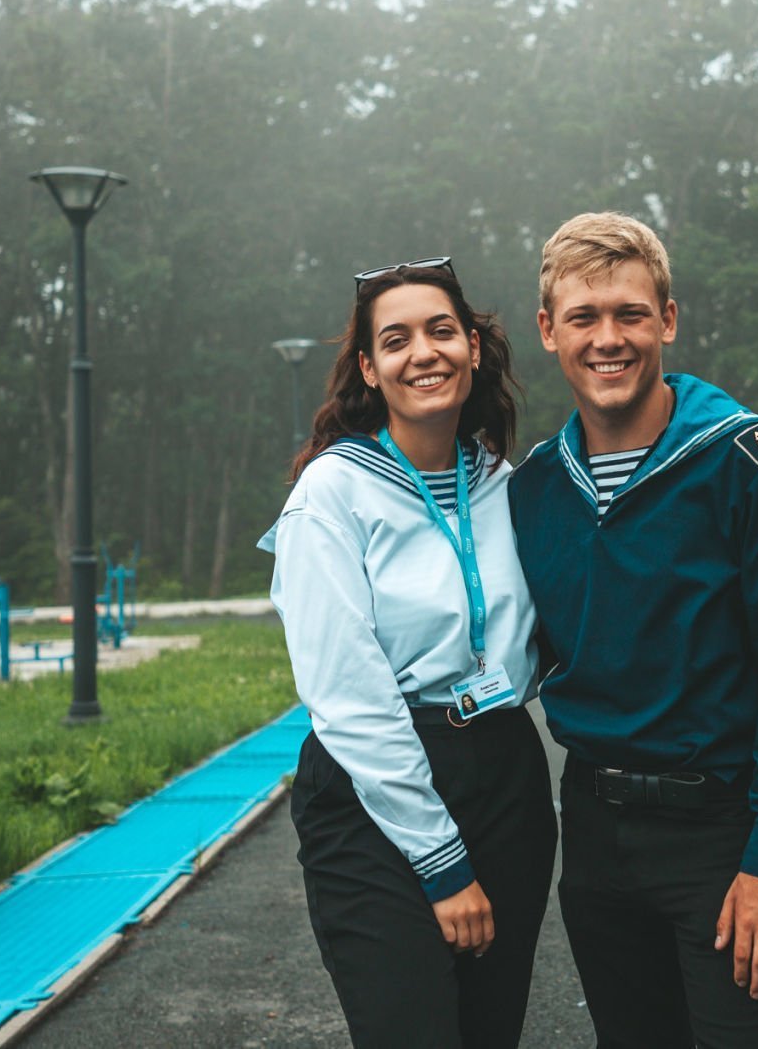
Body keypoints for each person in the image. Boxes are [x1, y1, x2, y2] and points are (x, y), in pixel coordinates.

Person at [509, 213, 758, 1048]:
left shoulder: (751, 461)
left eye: (630, 313)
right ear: (549, 330)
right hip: (595, 837)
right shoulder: (537, 487)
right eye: (584, 317)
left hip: (722, 836)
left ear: (667, 319)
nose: (608, 338)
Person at [260, 257, 556, 1048]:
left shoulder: (503, 483)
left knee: (489, 1031)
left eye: (441, 331)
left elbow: (550, 633)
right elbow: (348, 695)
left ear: (472, 349)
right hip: (375, 789)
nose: (423, 352)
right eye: (396, 340)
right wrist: (442, 861)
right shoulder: (333, 492)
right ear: (369, 367)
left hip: (506, 775)